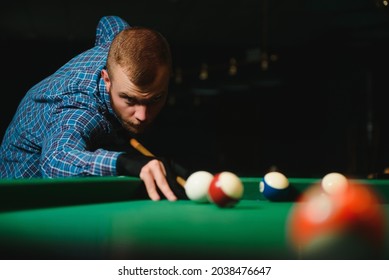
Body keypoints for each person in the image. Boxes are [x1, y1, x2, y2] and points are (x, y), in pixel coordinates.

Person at [0, 15, 188, 201]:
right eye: (129, 100)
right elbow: (55, 161)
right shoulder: (81, 109)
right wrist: (123, 163)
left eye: (155, 98)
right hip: (21, 195)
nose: (142, 115)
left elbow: (109, 21)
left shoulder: (119, 42)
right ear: (107, 80)